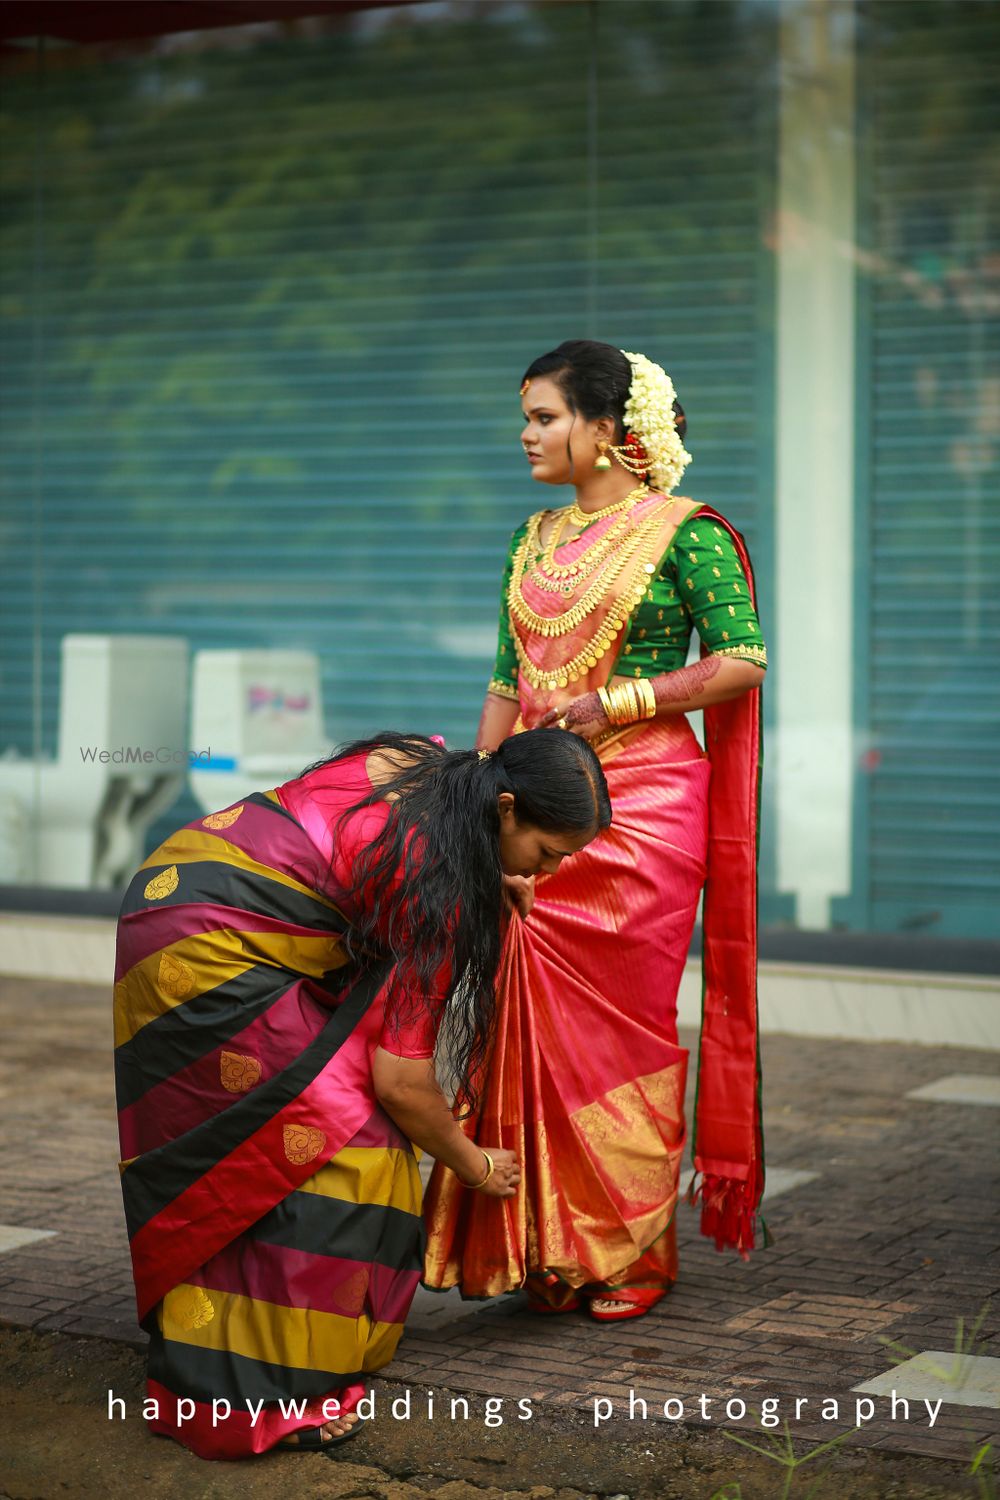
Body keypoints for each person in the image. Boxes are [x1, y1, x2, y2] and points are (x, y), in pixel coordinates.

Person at [113, 728, 610, 1459]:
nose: (549, 872)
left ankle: (230, 1336)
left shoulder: (426, 766)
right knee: (340, 1147)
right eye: (547, 852)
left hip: (175, 891)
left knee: (253, 1146)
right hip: (206, 954)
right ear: (505, 809)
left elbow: (351, 854)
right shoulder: (431, 884)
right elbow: (402, 1084)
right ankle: (263, 1398)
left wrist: (487, 874)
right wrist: (473, 1165)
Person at [423, 340, 767, 1321]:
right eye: (524, 418)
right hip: (533, 804)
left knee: (618, 1037)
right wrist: (471, 800)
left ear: (607, 432)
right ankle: (541, 1246)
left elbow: (742, 659)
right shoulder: (529, 538)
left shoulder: (685, 533)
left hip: (642, 814)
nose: (524, 435)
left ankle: (629, 1254)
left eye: (543, 417)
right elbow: (504, 680)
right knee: (520, 1020)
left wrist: (618, 702)